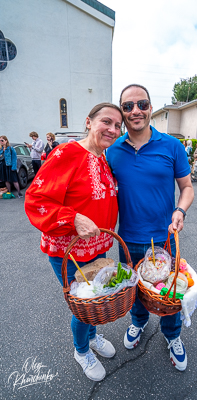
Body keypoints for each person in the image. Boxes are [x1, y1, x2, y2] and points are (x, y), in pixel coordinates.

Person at [25, 103, 123, 382]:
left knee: (95, 301)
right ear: (89, 122)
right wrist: (72, 218)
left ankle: (91, 336)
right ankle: (81, 350)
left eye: (118, 126)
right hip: (69, 251)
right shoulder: (67, 152)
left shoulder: (103, 158)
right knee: (84, 305)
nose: (113, 130)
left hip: (99, 247)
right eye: (107, 122)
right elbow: (36, 199)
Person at [106, 84, 194, 372]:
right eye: (128, 106)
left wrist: (180, 210)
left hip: (165, 238)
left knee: (169, 292)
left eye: (141, 104)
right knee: (136, 291)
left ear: (151, 107)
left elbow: (187, 188)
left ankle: (172, 335)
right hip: (128, 238)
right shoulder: (112, 151)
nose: (136, 111)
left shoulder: (172, 145)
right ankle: (138, 323)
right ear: (122, 111)